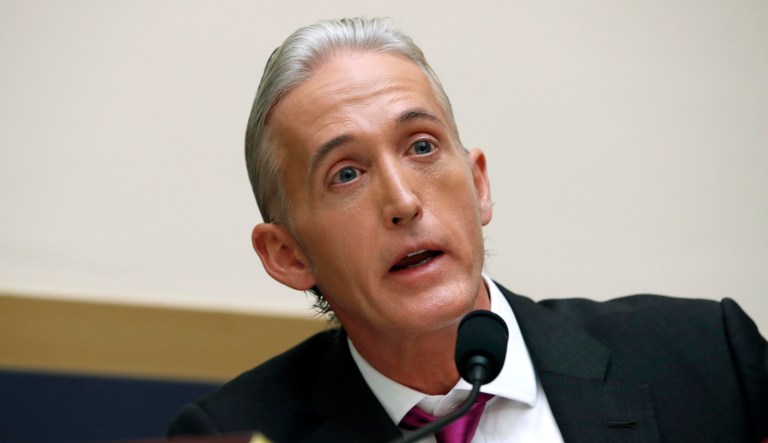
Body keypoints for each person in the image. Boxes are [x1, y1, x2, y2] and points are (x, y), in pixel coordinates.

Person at [168, 17, 767, 442]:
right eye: (346, 174)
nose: (403, 202)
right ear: (287, 254)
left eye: (421, 146)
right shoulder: (234, 433)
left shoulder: (707, 359)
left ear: (478, 184)